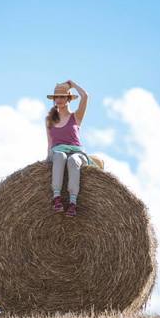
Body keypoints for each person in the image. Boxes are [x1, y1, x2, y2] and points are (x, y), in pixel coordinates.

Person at [46, 80, 92, 217]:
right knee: (60, 156)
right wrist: (47, 159)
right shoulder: (49, 120)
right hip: (57, 152)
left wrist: (73, 84)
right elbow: (49, 143)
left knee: (72, 160)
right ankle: (56, 198)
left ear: (68, 99)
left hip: (77, 152)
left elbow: (85, 96)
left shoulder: (76, 117)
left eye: (62, 96)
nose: (59, 99)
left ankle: (73, 203)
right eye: (56, 97)